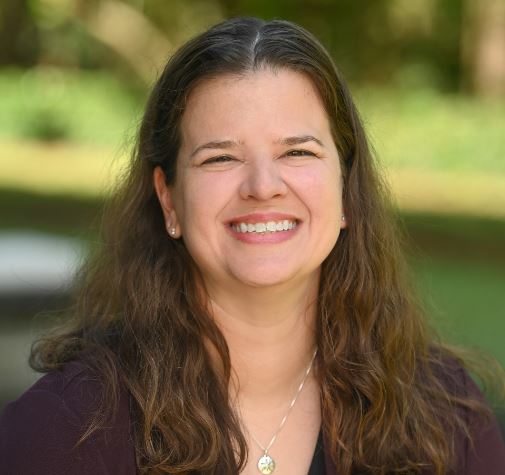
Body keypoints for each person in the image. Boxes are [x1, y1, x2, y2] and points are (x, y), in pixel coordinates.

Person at [0, 17, 504, 475]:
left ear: (345, 188)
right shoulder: (66, 431)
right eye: (221, 158)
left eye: (298, 151)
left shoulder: (444, 416)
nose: (263, 186)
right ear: (168, 199)